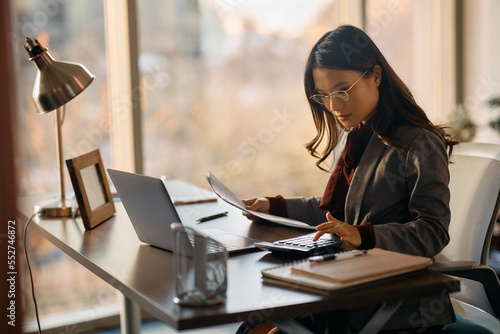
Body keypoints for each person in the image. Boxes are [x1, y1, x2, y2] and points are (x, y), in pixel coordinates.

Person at [240, 25, 460, 333]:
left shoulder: (418, 143)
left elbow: (433, 232)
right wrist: (273, 206)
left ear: (376, 76)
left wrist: (364, 236)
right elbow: (336, 214)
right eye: (324, 96)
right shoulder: (354, 135)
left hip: (397, 303)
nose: (334, 106)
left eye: (343, 90)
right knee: (255, 324)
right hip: (347, 282)